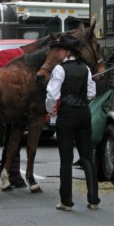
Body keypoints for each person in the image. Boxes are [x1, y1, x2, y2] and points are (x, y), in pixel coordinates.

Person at [45, 34, 99, 211]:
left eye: (60, 49)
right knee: (87, 156)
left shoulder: (60, 69)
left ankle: (66, 201)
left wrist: (50, 109)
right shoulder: (85, 68)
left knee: (66, 159)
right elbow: (91, 93)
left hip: (67, 114)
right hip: (84, 113)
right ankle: (93, 199)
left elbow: (52, 94)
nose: (58, 52)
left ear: (67, 52)